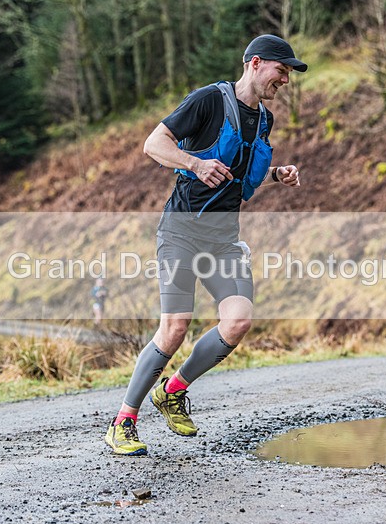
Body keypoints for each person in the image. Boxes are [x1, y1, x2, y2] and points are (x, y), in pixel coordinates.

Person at [104, 34, 307, 456]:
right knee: (175, 326)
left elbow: (240, 175)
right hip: (180, 231)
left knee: (238, 321)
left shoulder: (264, 120)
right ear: (255, 63)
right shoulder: (208, 101)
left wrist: (276, 174)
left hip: (222, 240)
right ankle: (123, 421)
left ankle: (173, 390)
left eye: (288, 74)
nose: (285, 80)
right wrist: (195, 162)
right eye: (281, 70)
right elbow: (153, 144)